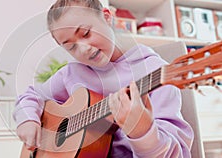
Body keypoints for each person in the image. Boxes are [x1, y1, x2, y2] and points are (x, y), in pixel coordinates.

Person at [13, 0, 194, 157]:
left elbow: (177, 153)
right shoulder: (71, 74)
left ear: (107, 17)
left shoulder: (153, 71)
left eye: (85, 33)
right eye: (71, 47)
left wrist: (143, 132)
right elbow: (31, 95)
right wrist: (28, 119)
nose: (83, 49)